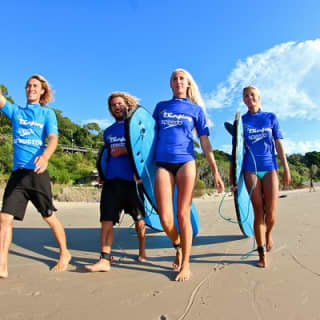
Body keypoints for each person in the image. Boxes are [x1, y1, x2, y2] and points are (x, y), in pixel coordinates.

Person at [153, 68, 224, 282]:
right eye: (174, 78)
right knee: (165, 218)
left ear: (188, 84)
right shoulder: (160, 108)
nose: (178, 81)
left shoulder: (196, 110)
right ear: (171, 84)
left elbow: (204, 142)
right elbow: (149, 137)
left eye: (181, 78)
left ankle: (186, 264)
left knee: (183, 214)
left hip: (186, 161)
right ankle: (178, 247)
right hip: (163, 163)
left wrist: (215, 171)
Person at [0, 75, 71, 279]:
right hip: (17, 174)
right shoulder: (16, 112)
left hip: (37, 173)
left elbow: (53, 138)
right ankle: (2, 265)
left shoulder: (47, 114)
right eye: (28, 86)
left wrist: (46, 156)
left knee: (48, 216)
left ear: (42, 91)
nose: (31, 88)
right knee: (4, 217)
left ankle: (64, 253)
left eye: (35, 86)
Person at [85, 92, 146, 273]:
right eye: (113, 105)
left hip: (132, 182)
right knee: (106, 221)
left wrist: (125, 150)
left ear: (127, 105)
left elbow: (143, 150)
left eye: (119, 104)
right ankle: (104, 259)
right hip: (112, 182)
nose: (116, 107)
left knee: (139, 220)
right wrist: (102, 174)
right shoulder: (108, 132)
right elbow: (105, 156)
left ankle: (142, 251)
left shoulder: (136, 128)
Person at [241, 85, 291, 268]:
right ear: (243, 100)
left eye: (252, 94)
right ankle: (261, 253)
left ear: (259, 97)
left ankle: (268, 234)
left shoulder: (270, 117)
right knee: (258, 212)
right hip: (250, 169)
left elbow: (278, 144)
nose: (249, 98)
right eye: (245, 96)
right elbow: (237, 151)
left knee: (271, 213)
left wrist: (286, 168)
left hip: (270, 168)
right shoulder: (242, 121)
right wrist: (234, 178)